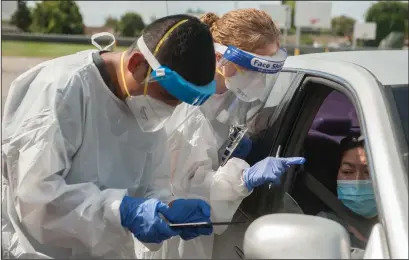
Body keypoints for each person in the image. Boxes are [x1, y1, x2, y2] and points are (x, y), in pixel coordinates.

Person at [1, 15, 221, 259]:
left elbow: (150, 184)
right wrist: (123, 211)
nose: (170, 109)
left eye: (179, 103)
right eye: (167, 97)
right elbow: (35, 199)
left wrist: (165, 208)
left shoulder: (147, 108)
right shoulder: (61, 89)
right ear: (136, 63)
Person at [140, 9, 305, 259]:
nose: (259, 80)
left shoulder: (235, 98)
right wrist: (243, 178)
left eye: (267, 71)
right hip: (173, 241)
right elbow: (184, 190)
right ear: (220, 58)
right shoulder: (186, 106)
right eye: (253, 69)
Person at [317, 134, 378, 259]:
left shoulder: (400, 218)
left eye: (369, 172)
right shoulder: (325, 226)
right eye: (347, 172)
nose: (357, 182)